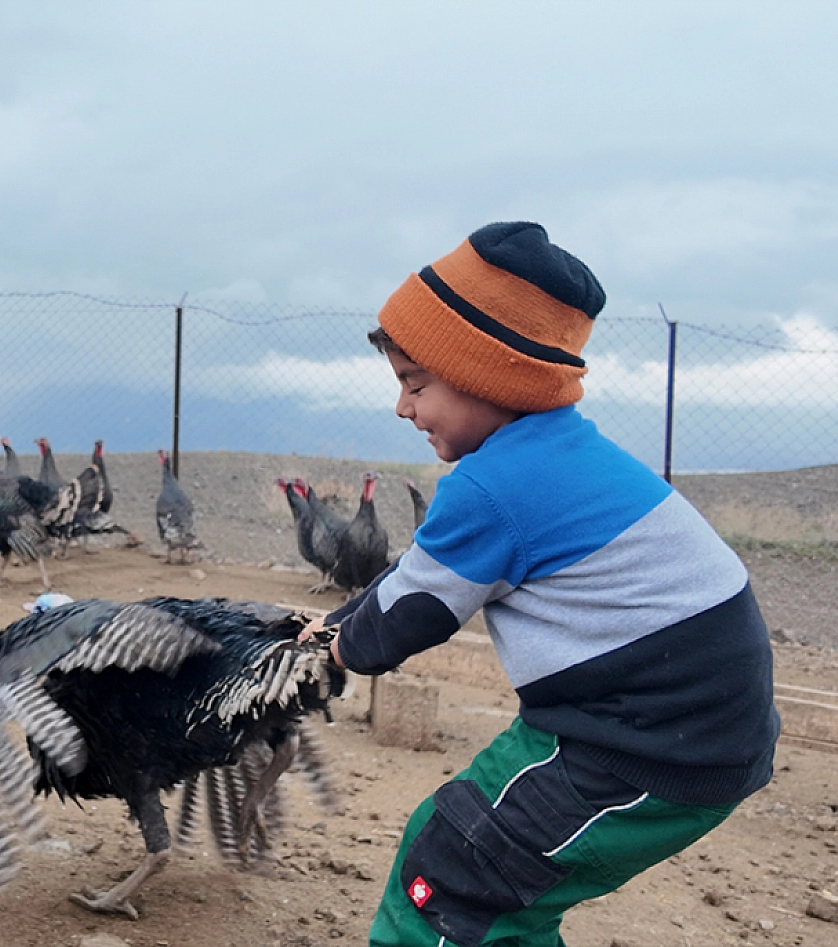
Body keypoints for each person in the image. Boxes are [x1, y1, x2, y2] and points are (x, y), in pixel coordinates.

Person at [302, 221, 779, 946]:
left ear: (487, 376)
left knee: (456, 875)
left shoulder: (494, 486)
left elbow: (417, 609)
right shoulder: (555, 456)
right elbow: (415, 575)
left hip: (643, 744)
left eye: (415, 384)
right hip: (678, 726)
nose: (404, 408)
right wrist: (340, 619)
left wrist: (328, 653)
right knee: (494, 886)